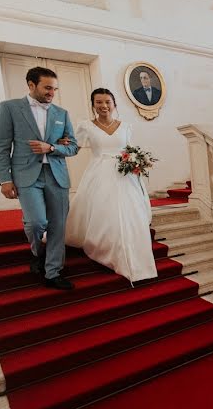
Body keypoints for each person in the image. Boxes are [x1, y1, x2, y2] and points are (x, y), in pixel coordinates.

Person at [0, 67, 79, 290]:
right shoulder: (9, 108)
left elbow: (74, 147)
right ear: (31, 85)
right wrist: (5, 179)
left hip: (57, 175)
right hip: (25, 175)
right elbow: (1, 147)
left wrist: (50, 147)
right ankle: (37, 253)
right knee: (36, 222)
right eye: (47, 88)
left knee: (58, 226)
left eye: (54, 88)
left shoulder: (62, 114)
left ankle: (53, 272)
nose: (52, 93)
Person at [63, 88, 158, 283]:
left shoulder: (126, 126)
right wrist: (57, 145)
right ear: (93, 105)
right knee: (105, 212)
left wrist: (140, 161)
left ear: (114, 104)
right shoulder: (86, 126)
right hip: (99, 173)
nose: (104, 106)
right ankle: (106, 249)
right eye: (99, 102)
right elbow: (74, 148)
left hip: (125, 175)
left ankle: (133, 255)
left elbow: (130, 150)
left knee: (129, 214)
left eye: (108, 102)